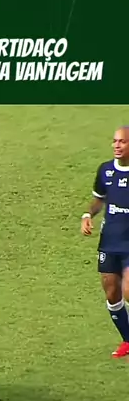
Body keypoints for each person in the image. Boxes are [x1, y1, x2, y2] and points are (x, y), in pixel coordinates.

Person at [82, 126, 129, 358]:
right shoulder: (105, 170)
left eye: (122, 142)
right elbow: (99, 199)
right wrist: (88, 214)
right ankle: (128, 340)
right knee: (112, 293)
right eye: (115, 141)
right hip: (110, 241)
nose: (117, 146)